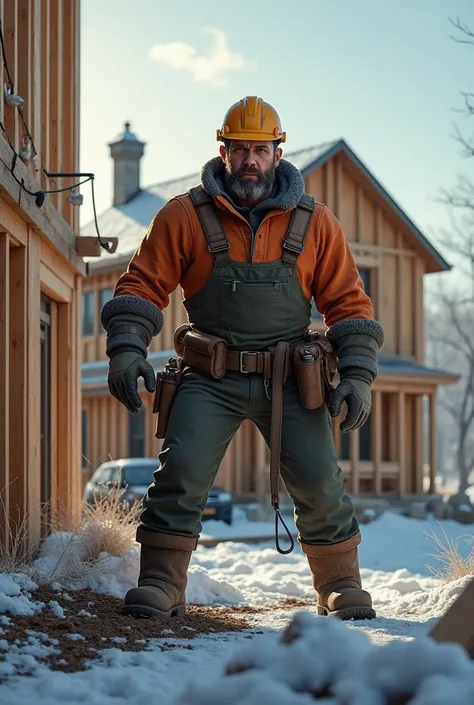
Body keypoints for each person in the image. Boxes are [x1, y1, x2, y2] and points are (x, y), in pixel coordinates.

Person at [101, 96, 384, 622]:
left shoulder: (316, 222)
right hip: (210, 375)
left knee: (322, 481)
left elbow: (348, 302)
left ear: (278, 154)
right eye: (240, 149)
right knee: (180, 473)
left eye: (260, 149)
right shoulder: (184, 215)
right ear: (223, 151)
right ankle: (162, 581)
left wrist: (359, 374)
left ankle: (341, 584)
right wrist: (126, 347)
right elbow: (142, 284)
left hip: (293, 379)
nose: (250, 160)